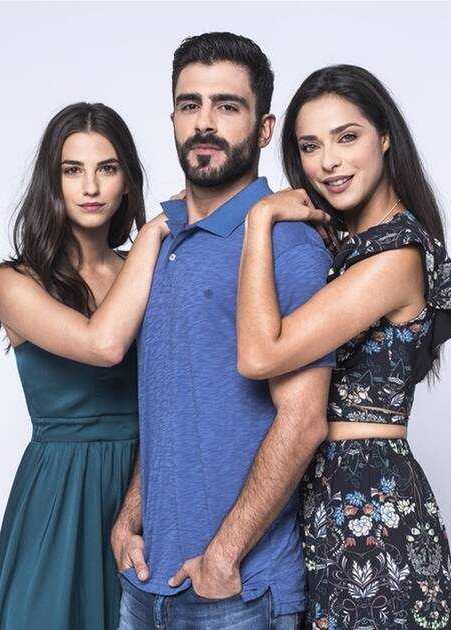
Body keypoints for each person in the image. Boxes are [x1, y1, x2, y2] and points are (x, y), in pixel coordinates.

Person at [234, 65, 451, 630]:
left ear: (384, 137)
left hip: (371, 505)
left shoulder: (396, 255)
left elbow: (259, 355)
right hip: (328, 497)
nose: (329, 162)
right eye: (310, 146)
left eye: (347, 137)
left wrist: (258, 219)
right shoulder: (350, 248)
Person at [110, 33, 335, 630]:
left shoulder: (287, 244)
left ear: (264, 129)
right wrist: (130, 517)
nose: (204, 123)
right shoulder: (162, 241)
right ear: (172, 118)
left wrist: (224, 554)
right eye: (190, 105)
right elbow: (173, 403)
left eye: (227, 106)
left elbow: (303, 419)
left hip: (237, 593)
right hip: (145, 585)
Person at [0, 102, 171, 629]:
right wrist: (152, 235)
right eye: (72, 170)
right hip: (59, 495)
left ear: (127, 182)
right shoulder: (15, 283)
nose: (90, 186)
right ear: (52, 182)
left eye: (107, 168)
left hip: (146, 485)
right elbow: (103, 345)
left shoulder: (147, 269)